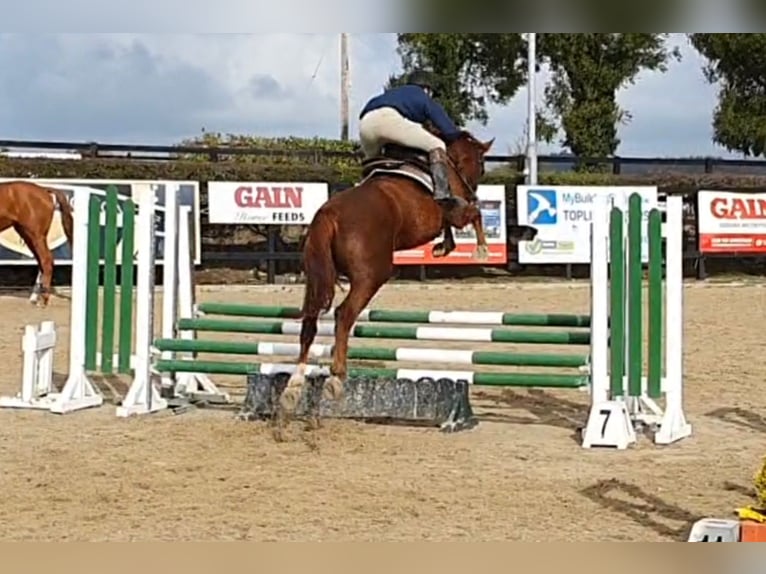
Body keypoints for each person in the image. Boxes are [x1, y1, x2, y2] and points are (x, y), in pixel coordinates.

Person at [358, 70, 465, 208]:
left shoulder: (392, 94)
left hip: (365, 124)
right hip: (388, 120)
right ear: (426, 89)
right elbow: (450, 132)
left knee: (373, 161)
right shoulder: (422, 96)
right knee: (437, 145)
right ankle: (442, 194)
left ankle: (362, 187)